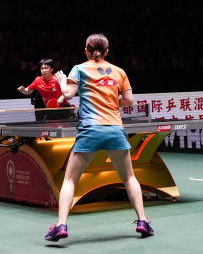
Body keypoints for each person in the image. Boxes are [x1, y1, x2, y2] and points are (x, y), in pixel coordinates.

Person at [44, 33, 152, 242]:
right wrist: (111, 103)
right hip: (115, 130)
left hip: (90, 130)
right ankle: (143, 221)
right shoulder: (119, 71)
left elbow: (67, 94)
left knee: (70, 180)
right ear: (107, 52)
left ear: (86, 50)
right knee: (129, 178)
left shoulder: (79, 69)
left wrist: (61, 81)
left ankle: (61, 225)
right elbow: (129, 100)